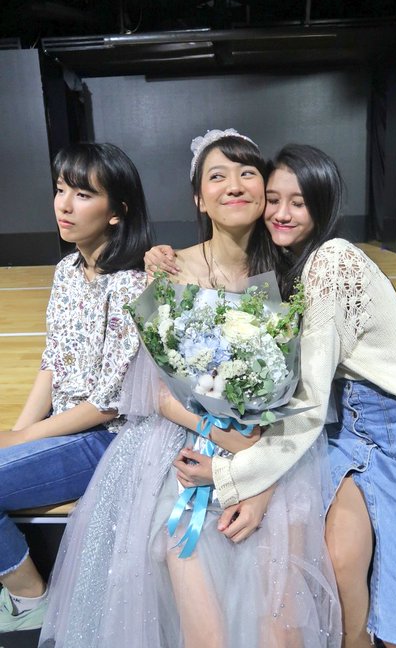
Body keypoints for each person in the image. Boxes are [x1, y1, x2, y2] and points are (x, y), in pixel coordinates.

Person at [39, 131, 341, 648]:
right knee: (183, 554)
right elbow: (154, 393)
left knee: (277, 599)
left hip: (273, 446)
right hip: (182, 441)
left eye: (247, 173)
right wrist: (222, 436)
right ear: (199, 199)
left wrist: (255, 463)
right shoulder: (168, 269)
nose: (234, 185)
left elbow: (306, 391)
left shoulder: (293, 270)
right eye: (217, 176)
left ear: (265, 191)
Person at [149, 143, 396, 648]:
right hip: (341, 429)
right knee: (339, 559)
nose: (283, 213)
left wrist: (231, 475)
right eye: (274, 199)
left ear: (323, 205)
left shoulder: (330, 260)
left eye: (300, 202)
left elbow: (307, 403)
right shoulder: (288, 266)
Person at [0, 142, 153, 633]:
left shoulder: (132, 284)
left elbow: (108, 404)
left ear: (117, 212)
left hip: (106, 440)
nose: (64, 205)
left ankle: (29, 597)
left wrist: (23, 439)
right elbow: (53, 360)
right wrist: (17, 431)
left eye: (83, 195)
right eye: (61, 189)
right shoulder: (67, 271)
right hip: (64, 426)